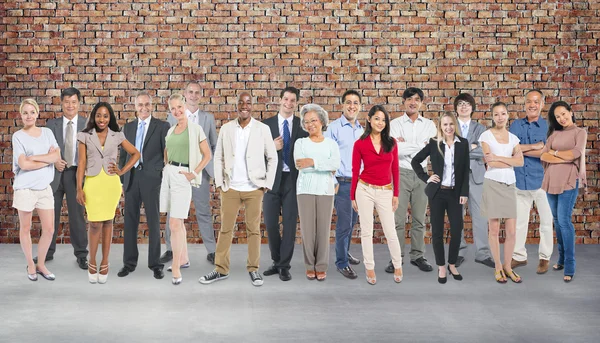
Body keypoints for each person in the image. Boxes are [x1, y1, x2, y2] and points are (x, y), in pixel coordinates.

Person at [199, 92, 278, 286]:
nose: (244, 106)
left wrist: (266, 183)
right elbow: (217, 157)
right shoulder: (226, 129)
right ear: (236, 106)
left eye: (248, 103)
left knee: (254, 230)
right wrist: (219, 183)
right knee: (226, 229)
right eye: (241, 103)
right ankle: (220, 269)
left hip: (254, 188)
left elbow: (272, 157)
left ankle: (254, 270)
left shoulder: (262, 129)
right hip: (231, 188)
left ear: (252, 106)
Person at [76, 102, 140, 284]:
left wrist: (121, 170)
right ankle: (93, 261)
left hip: (111, 184)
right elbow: (81, 163)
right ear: (93, 117)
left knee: (107, 222)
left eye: (105, 116)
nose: (102, 119)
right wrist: (78, 188)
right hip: (93, 183)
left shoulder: (117, 135)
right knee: (94, 223)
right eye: (98, 116)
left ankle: (105, 261)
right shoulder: (84, 136)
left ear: (109, 117)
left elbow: (136, 154)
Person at [162, 82, 218, 265]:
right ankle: (171, 249)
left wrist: (213, 171)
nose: (193, 95)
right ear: (185, 95)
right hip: (178, 172)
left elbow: (213, 145)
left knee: (203, 212)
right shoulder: (172, 117)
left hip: (200, 173)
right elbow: (167, 145)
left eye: (197, 93)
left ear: (200, 96)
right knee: (173, 213)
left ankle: (212, 251)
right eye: (190, 92)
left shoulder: (208, 118)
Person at [412, 113, 470, 283]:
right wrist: (427, 177)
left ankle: (452, 264)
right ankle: (441, 267)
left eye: (451, 124)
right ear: (440, 126)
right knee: (436, 232)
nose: (448, 127)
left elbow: (466, 169)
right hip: (437, 193)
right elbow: (415, 161)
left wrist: (464, 192)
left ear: (455, 125)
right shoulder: (434, 143)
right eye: (445, 124)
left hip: (455, 193)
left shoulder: (463, 144)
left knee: (457, 230)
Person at [118, 92, 170, 280]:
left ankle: (155, 264)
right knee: (130, 222)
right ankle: (129, 263)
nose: (144, 108)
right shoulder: (128, 127)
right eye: (140, 105)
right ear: (135, 106)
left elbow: (167, 153)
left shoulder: (162, 126)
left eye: (147, 104)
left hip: (152, 180)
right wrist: (122, 178)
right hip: (131, 179)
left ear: (152, 105)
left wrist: (160, 172)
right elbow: (123, 156)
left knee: (154, 222)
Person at [351, 105, 403, 285]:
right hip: (364, 189)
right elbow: (355, 170)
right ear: (369, 119)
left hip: (385, 191)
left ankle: (398, 264)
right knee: (366, 231)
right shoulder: (360, 143)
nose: (380, 122)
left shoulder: (392, 143)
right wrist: (352, 196)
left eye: (383, 120)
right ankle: (369, 267)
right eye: (377, 119)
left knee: (390, 231)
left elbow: (395, 169)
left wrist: (396, 193)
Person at [262, 86, 308, 281]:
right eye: (286, 99)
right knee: (271, 223)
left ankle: (284, 265)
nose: (288, 103)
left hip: (293, 179)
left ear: (296, 104)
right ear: (279, 100)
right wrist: (271, 147)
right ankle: (276, 260)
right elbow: (255, 153)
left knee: (289, 223)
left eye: (292, 101)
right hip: (271, 179)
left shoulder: (302, 126)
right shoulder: (265, 125)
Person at [389, 87, 437, 273]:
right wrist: (420, 146)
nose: (413, 102)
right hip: (400, 173)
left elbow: (430, 150)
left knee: (419, 218)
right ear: (404, 101)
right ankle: (396, 258)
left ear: (421, 103)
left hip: (422, 175)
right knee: (398, 220)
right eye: (409, 99)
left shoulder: (429, 125)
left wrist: (404, 144)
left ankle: (418, 256)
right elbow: (395, 150)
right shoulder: (394, 124)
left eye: (417, 99)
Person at [12, 99, 61, 281]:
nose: (29, 116)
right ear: (21, 115)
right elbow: (23, 164)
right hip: (25, 189)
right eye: (25, 113)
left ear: (37, 113)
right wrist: (46, 158)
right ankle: (30, 265)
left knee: (49, 229)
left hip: (44, 188)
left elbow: (56, 156)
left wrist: (36, 158)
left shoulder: (47, 133)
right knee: (26, 229)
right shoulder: (18, 136)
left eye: (32, 112)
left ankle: (40, 263)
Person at [540, 101, 587, 283]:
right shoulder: (554, 133)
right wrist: (561, 155)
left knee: (565, 221)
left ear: (570, 111)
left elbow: (575, 153)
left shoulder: (580, 133)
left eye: (563, 114)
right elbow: (544, 155)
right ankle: (560, 258)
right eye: (557, 117)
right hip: (551, 181)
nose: (561, 118)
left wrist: (555, 153)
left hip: (569, 181)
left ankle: (570, 265)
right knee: (557, 221)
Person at [479, 102, 524, 283]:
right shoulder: (486, 136)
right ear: (492, 116)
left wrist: (498, 157)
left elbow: (520, 161)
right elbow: (490, 163)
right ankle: (497, 267)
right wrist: (508, 160)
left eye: (503, 113)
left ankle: (507, 266)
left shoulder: (513, 138)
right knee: (494, 229)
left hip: (510, 184)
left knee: (512, 231)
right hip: (493, 183)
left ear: (507, 115)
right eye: (496, 114)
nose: (500, 117)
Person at [43, 87, 88, 269]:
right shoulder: (51, 125)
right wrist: (54, 162)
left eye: (74, 102)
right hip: (54, 175)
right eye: (67, 101)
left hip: (76, 175)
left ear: (79, 103)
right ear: (61, 103)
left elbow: (92, 153)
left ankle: (81, 255)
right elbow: (44, 150)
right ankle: (47, 252)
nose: (70, 105)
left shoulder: (87, 124)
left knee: (77, 216)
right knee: (49, 215)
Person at [294, 104, 340, 281]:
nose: (310, 124)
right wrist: (322, 165)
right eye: (306, 122)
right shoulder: (301, 143)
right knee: (307, 230)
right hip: (305, 190)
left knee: (323, 230)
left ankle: (321, 266)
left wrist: (312, 161)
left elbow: (334, 164)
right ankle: (309, 265)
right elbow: (300, 165)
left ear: (321, 121)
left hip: (326, 191)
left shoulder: (331, 144)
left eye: (313, 120)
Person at [509, 90, 553, 274]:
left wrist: (523, 149)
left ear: (542, 104)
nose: (532, 105)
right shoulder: (516, 125)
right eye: (529, 101)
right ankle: (519, 256)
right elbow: (511, 149)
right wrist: (535, 147)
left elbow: (547, 152)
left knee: (546, 221)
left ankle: (544, 257)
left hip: (544, 181)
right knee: (520, 221)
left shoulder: (549, 126)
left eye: (536, 101)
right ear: (524, 104)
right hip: (520, 180)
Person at [325, 90, 364, 280]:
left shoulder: (362, 130)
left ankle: (345, 252)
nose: (352, 106)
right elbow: (327, 157)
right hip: (342, 183)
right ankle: (342, 263)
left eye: (355, 103)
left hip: (359, 184)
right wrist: (333, 183)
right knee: (344, 225)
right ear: (342, 105)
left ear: (360, 106)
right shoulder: (333, 128)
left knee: (352, 222)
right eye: (348, 102)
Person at [454, 93, 494, 268]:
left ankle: (482, 253)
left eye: (467, 104)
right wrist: (471, 146)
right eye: (460, 104)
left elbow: (485, 152)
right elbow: (447, 149)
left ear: (472, 108)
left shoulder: (480, 129)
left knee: (480, 216)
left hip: (476, 177)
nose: (464, 107)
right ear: (456, 108)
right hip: (455, 177)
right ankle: (459, 252)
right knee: (457, 216)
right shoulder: (449, 126)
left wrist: (462, 148)